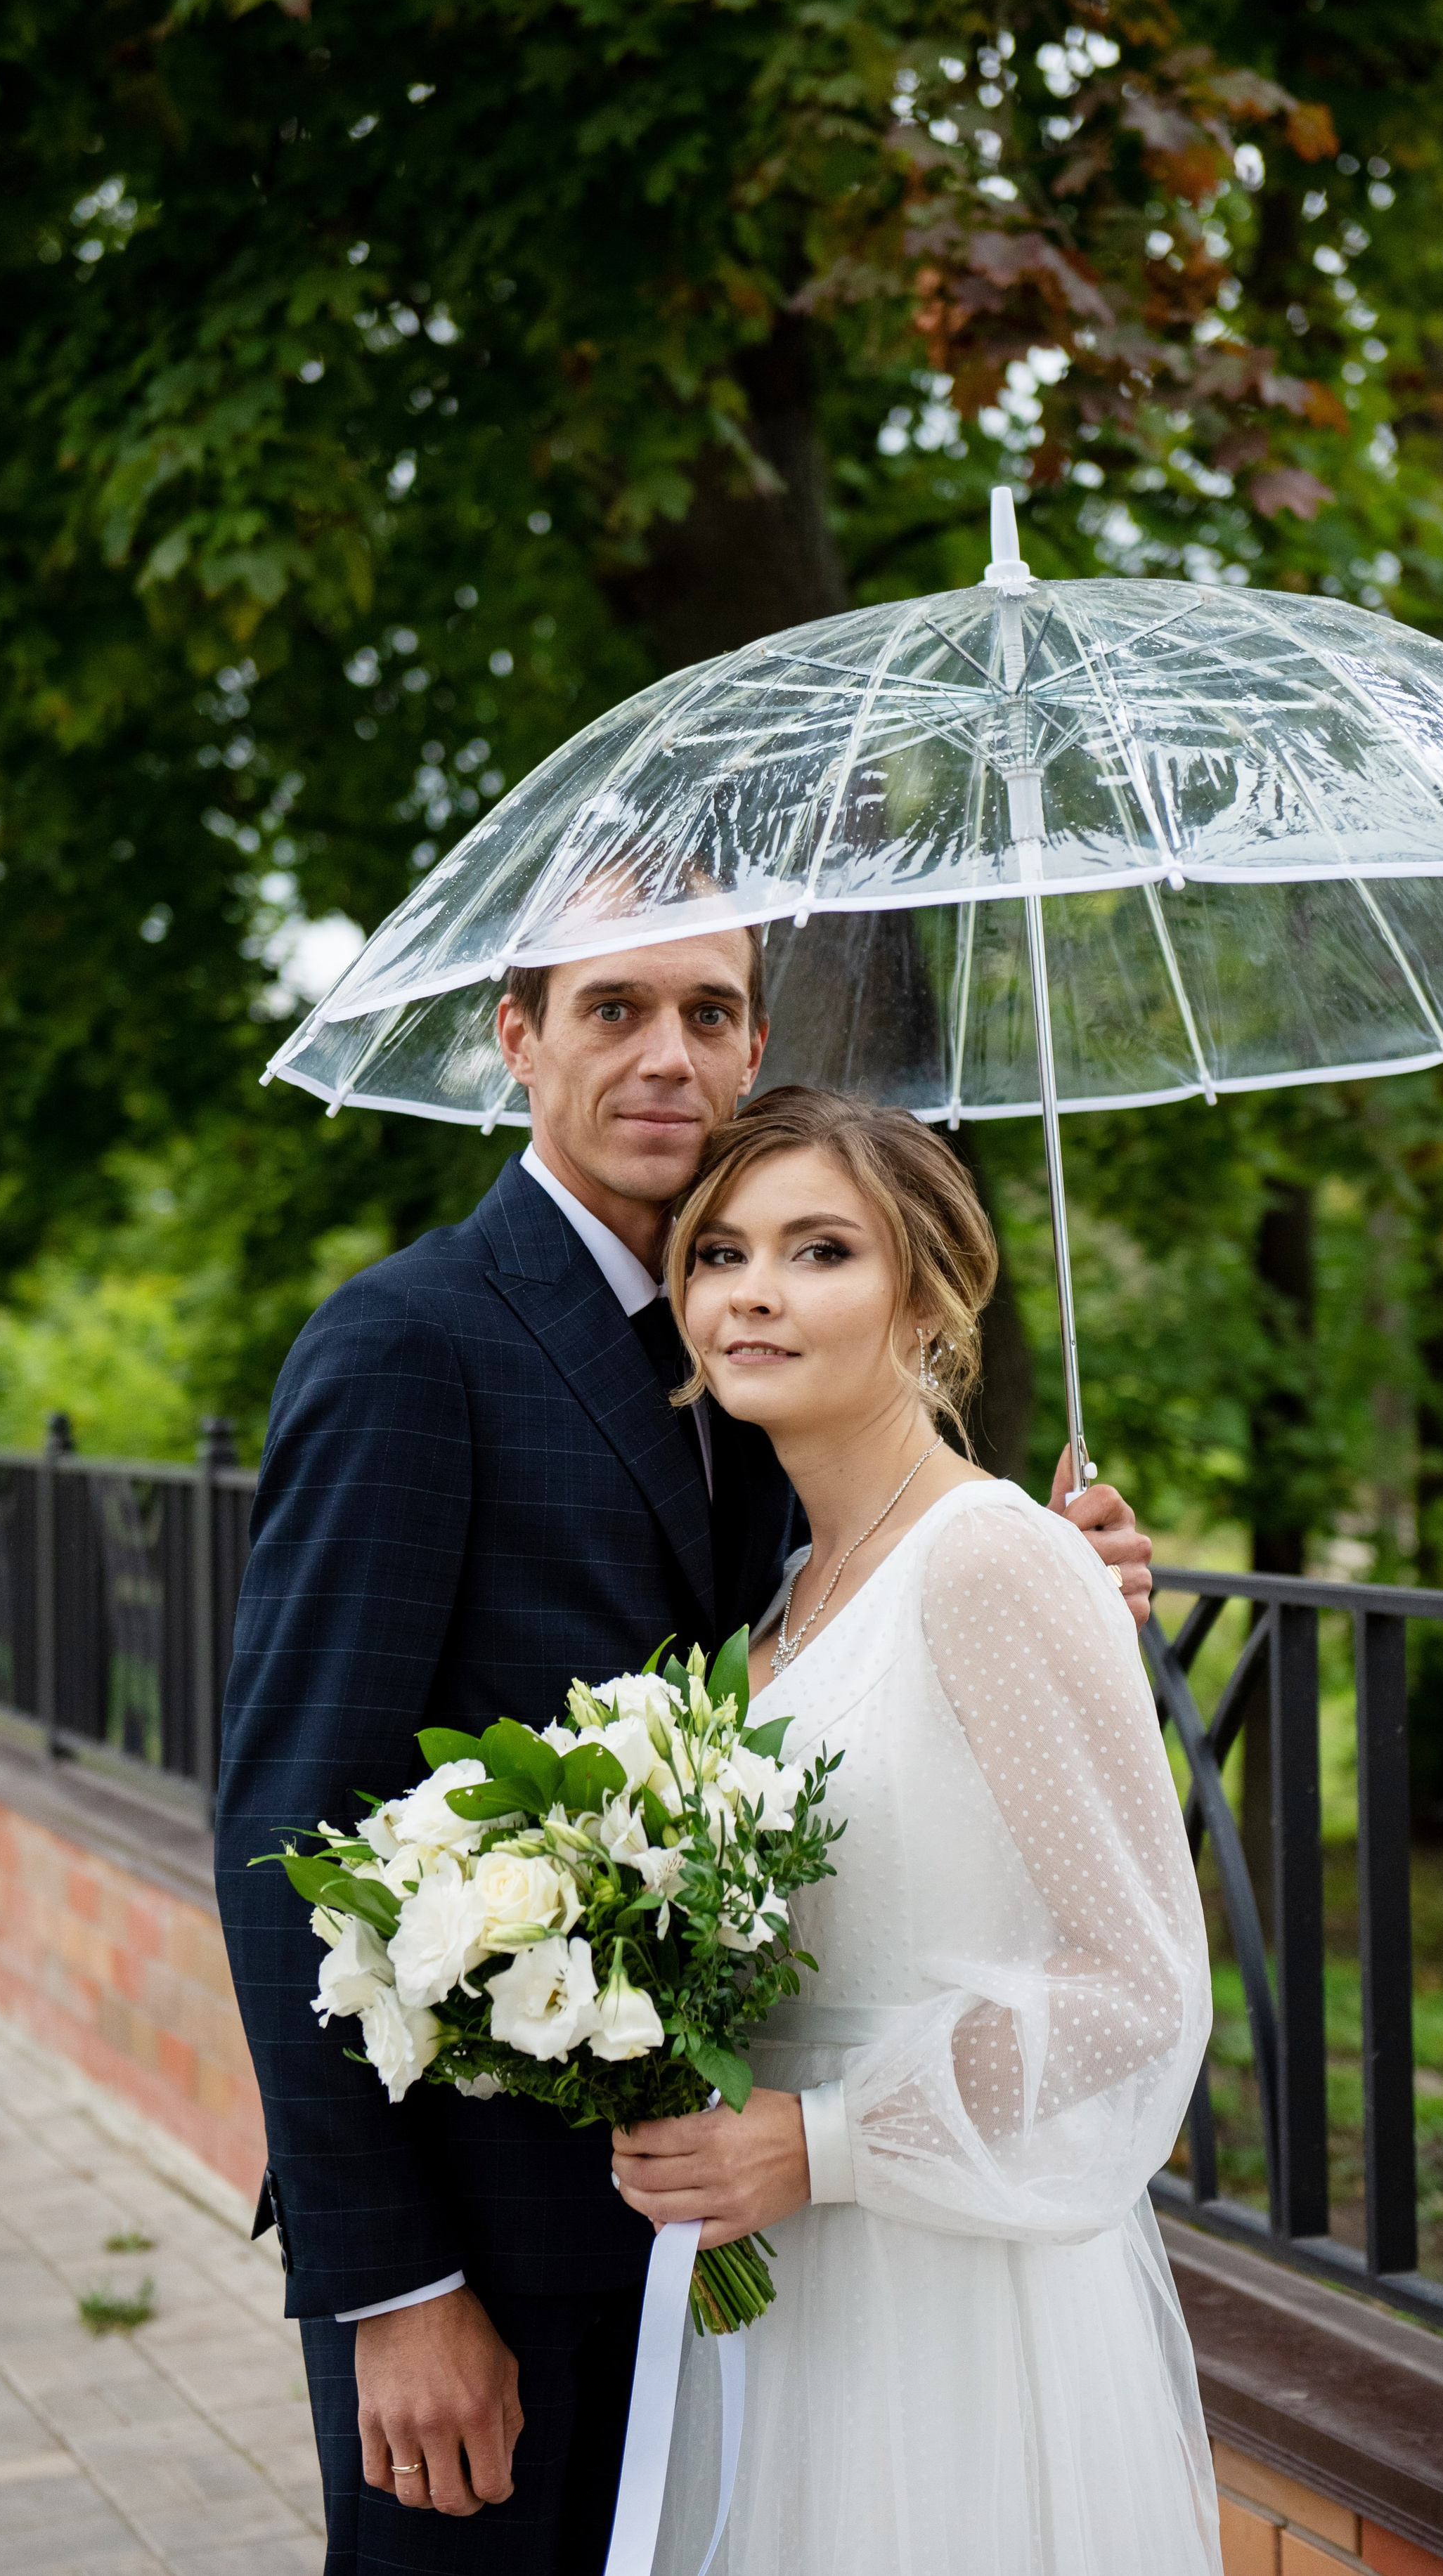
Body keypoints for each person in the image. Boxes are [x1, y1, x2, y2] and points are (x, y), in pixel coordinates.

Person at [214, 932, 1156, 2576]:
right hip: (488, 2268)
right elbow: (286, 1832)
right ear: (518, 1036)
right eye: (613, 1008)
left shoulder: (749, 1381)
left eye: (706, 1011)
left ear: (751, 1046)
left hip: (753, 2259)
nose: (665, 1052)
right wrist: (396, 2286)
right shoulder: (407, 1344)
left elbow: (885, 1676)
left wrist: (1051, 1589)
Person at [614, 1086, 1218, 2576]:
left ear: (931, 1300)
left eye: (820, 1250)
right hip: (782, 2279)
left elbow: (1138, 1982)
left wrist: (823, 2142)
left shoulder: (991, 1562)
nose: (752, 1291)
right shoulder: (786, 1596)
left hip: (940, 2288)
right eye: (719, 1253)